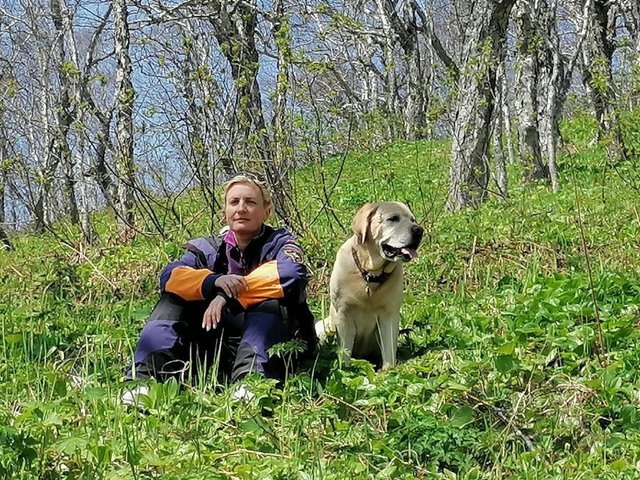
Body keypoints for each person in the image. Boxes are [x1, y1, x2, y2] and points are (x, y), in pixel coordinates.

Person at [123, 174, 317, 404]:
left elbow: (292, 273)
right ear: (225, 211)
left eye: (251, 202)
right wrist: (212, 283)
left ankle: (251, 384)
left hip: (275, 344)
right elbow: (170, 276)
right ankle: (144, 381)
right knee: (172, 299)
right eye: (234, 202)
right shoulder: (208, 248)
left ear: (267, 211)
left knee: (270, 301)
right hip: (217, 346)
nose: (241, 208)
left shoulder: (281, 243)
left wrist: (226, 295)